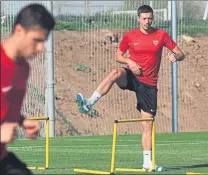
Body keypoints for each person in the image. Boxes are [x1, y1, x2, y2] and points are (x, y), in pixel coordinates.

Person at [76, 4, 185, 171]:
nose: (147, 21)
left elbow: (181, 53)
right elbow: (118, 55)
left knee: (147, 125)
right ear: (138, 19)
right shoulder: (130, 36)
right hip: (132, 75)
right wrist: (130, 62)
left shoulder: (161, 35)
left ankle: (147, 163)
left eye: (150, 18)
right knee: (115, 73)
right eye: (144, 18)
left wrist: (176, 56)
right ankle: (89, 102)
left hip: (149, 84)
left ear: (153, 18)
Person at [0, 3, 55, 175]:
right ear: (19, 31)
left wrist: (22, 121)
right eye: (36, 40)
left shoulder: (23, 68)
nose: (41, 48)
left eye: (44, 41)